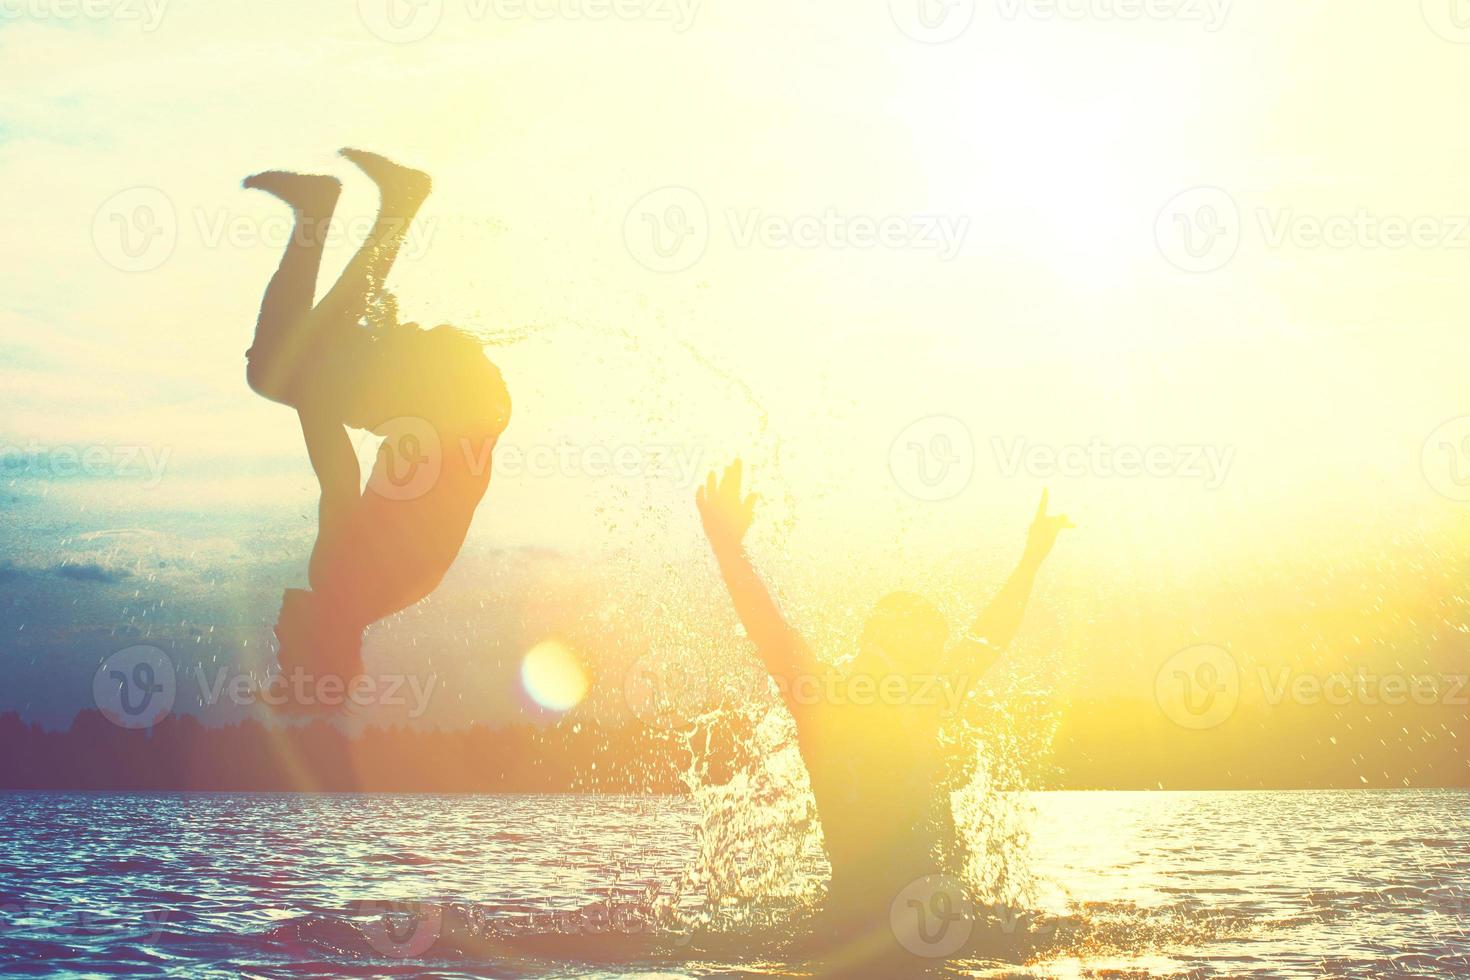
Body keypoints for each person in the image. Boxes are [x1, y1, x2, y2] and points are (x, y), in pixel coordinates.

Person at [694, 459, 1071, 965]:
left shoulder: (904, 701)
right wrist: (727, 548)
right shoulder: (829, 702)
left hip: (886, 923)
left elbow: (987, 638)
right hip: (884, 925)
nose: (933, 664)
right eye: (925, 651)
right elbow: (768, 629)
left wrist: (1029, 563)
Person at [243, 148, 510, 707]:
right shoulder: (339, 580)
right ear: (316, 647)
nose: (275, 638)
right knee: (278, 366)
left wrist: (318, 376)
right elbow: (339, 472)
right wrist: (309, 387)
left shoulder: (377, 596)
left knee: (285, 365)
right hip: (450, 396)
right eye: (286, 656)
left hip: (465, 399)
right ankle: (371, 205)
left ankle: (338, 209)